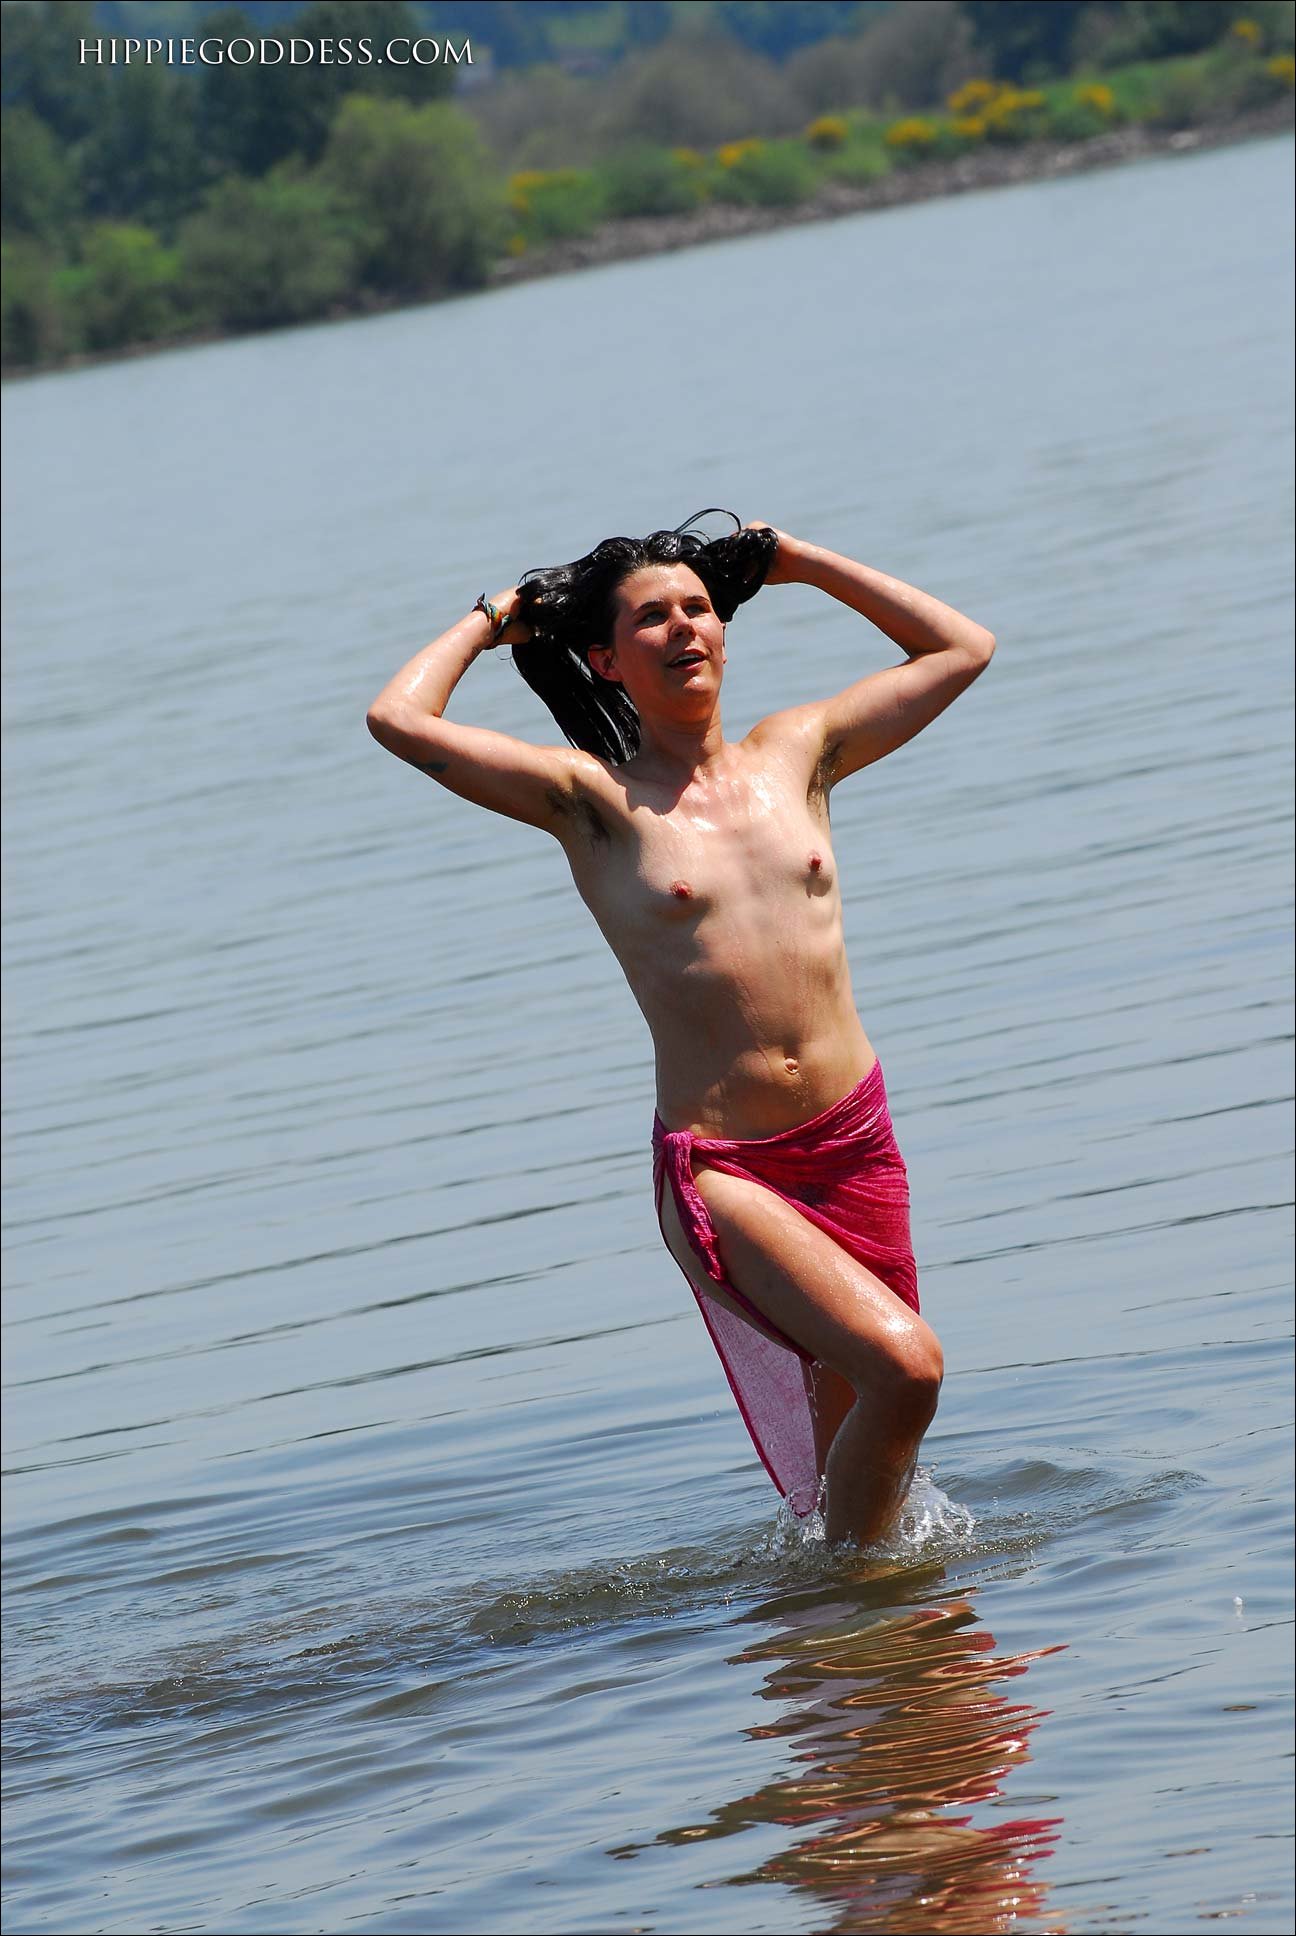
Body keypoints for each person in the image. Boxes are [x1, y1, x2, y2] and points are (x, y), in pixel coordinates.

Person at [366, 514, 995, 1544]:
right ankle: (862, 1606)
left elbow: (962, 647)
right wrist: (495, 618)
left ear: (726, 632)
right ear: (605, 660)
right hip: (730, 1170)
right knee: (909, 1369)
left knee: (860, 1468)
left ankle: (859, 1631)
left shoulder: (799, 752)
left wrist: (800, 562)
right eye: (652, 618)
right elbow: (397, 719)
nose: (684, 628)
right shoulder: (589, 802)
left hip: (855, 1144)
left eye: (698, 608)